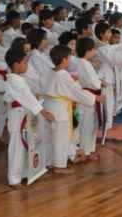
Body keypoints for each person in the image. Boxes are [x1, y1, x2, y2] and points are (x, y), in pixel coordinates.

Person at [41, 45, 97, 174]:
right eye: (69, 57)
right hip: (60, 109)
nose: (71, 60)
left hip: (48, 105)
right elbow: (76, 92)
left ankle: (49, 162)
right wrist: (95, 98)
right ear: (64, 59)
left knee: (51, 137)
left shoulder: (48, 72)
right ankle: (59, 166)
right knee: (61, 138)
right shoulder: (63, 75)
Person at [3, 49, 53, 187]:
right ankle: (13, 179)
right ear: (16, 64)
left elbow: (28, 97)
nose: (27, 65)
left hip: (24, 115)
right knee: (16, 149)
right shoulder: (14, 80)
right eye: (25, 62)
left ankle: (25, 173)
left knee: (25, 146)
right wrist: (43, 111)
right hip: (17, 116)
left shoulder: (17, 79)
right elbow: (27, 98)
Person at [73, 37, 103, 161]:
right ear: (88, 51)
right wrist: (101, 84)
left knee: (85, 124)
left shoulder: (77, 61)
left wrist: (100, 82)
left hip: (83, 96)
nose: (95, 52)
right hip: (89, 97)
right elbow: (95, 84)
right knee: (88, 125)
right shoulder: (85, 64)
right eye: (94, 49)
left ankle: (86, 150)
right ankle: (86, 151)